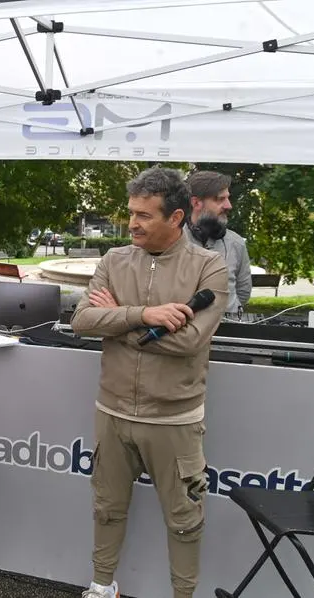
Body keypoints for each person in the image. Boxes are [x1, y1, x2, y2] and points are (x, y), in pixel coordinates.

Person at [71, 167, 228, 598]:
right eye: (131, 213)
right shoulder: (114, 260)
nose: (132, 224)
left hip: (175, 418)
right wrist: (145, 315)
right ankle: (102, 588)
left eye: (144, 215)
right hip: (113, 412)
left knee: (184, 519)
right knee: (106, 509)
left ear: (176, 218)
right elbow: (82, 321)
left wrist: (117, 318)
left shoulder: (210, 268)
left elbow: (191, 341)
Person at [186, 170, 252, 316]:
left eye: (228, 198)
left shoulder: (236, 243)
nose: (228, 206)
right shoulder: (174, 241)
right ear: (196, 203)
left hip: (229, 329)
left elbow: (243, 292)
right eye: (220, 199)